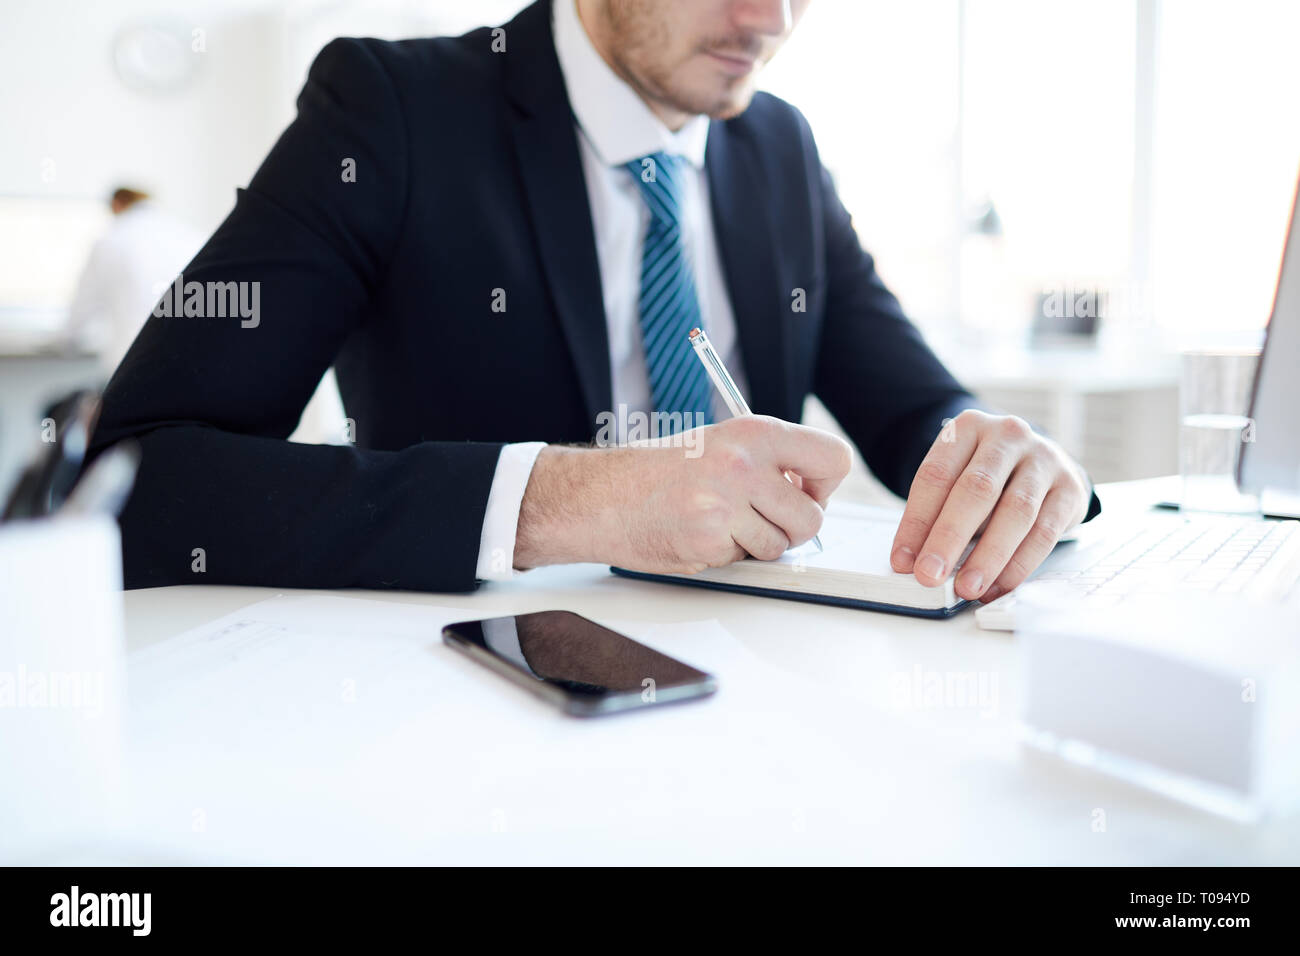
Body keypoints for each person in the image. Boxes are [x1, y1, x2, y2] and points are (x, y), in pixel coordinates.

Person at [89, 0, 1099, 603]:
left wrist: (999, 461)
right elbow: (134, 481)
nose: (771, 20)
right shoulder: (391, 110)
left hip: (763, 709)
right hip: (466, 723)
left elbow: (912, 406)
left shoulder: (779, 145)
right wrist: (568, 502)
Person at [65, 187, 204, 374]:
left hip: (130, 360)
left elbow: (83, 304)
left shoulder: (112, 239)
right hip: (187, 359)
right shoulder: (188, 234)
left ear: (117, 204)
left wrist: (66, 337)